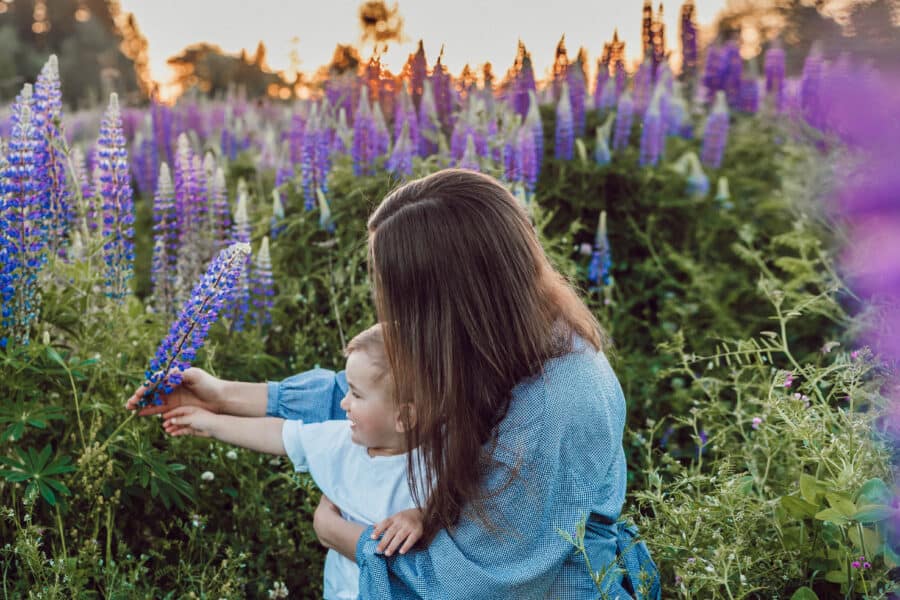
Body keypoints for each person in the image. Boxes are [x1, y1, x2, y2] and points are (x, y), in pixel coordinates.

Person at [127, 169, 661, 599]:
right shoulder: (508, 338)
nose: (391, 315)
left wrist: (345, 538)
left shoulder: (556, 405)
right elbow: (383, 398)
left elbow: (473, 586)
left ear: (451, 300)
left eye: (401, 298)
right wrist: (222, 395)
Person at [145, 325, 424, 600]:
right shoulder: (341, 441)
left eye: (356, 394)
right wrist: (209, 422)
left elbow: (448, 507)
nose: (344, 403)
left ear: (404, 418)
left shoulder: (435, 463)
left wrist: (421, 515)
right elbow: (279, 434)